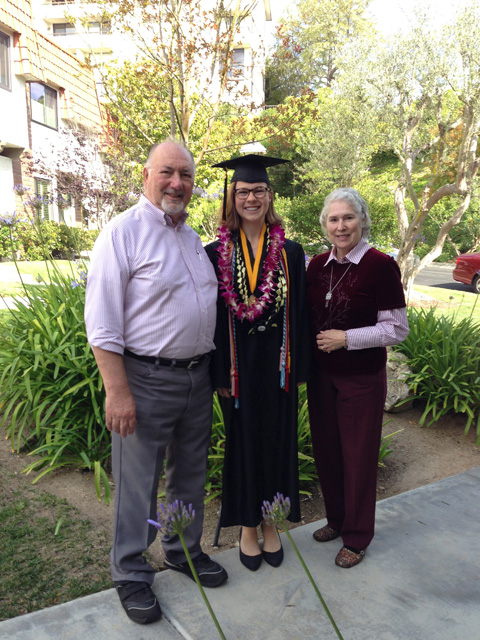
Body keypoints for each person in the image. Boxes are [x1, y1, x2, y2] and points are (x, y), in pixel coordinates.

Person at [84, 140, 228, 625]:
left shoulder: (190, 237)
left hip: (196, 378)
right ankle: (129, 571)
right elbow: (103, 325)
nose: (177, 183)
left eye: (185, 175)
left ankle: (181, 551)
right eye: (167, 172)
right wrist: (118, 391)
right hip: (144, 379)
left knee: (189, 473)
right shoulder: (122, 234)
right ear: (145, 175)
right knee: (138, 483)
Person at [205, 154, 310, 571]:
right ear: (232, 197)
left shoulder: (291, 252)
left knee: (277, 441)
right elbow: (211, 317)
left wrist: (298, 368)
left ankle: (271, 523)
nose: (251, 198)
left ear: (270, 195)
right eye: (243, 191)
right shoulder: (214, 253)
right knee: (243, 442)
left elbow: (299, 313)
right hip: (237, 367)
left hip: (278, 366)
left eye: (259, 191)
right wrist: (218, 374)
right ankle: (248, 525)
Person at [306, 187, 409, 568]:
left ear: (363, 220)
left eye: (348, 217)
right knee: (328, 453)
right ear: (325, 225)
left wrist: (347, 339)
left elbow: (397, 328)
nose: (341, 226)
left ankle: (357, 535)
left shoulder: (381, 265)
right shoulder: (317, 266)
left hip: (361, 380)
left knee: (358, 456)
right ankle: (336, 520)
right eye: (334, 219)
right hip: (321, 378)